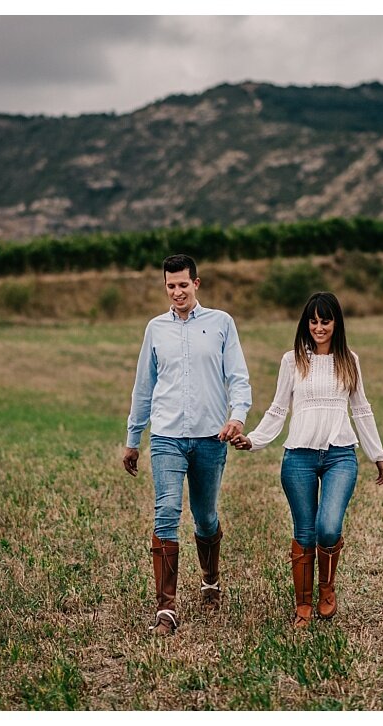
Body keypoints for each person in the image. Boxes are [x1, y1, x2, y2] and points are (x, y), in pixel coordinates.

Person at [230, 292, 383, 627]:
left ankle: (326, 589)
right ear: (306, 323)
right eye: (313, 321)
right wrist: (253, 440)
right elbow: (278, 409)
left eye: (326, 321)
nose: (319, 327)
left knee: (328, 527)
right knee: (304, 532)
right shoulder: (292, 361)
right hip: (299, 457)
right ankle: (303, 605)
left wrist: (378, 454)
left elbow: (361, 410)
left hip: (340, 456)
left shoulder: (349, 360)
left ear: (336, 323)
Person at [123, 254, 252, 637]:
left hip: (212, 438)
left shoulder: (221, 324)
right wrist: (133, 439)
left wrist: (238, 416)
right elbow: (143, 388)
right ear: (165, 287)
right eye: (170, 285)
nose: (176, 292)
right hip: (166, 437)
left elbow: (239, 379)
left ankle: (210, 580)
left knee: (206, 516)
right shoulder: (155, 329)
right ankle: (167, 610)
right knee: (165, 514)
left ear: (197, 283)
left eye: (183, 284)